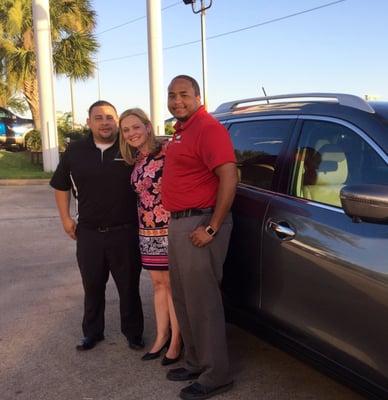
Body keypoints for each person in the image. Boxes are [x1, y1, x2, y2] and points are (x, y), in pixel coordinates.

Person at [162, 75, 238, 400]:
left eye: (184, 95)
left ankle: (216, 374)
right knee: (183, 297)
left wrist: (212, 227)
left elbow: (228, 176)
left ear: (197, 96)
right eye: (172, 95)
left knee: (203, 302)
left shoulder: (209, 128)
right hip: (179, 224)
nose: (177, 101)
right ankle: (195, 361)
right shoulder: (182, 131)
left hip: (200, 223)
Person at [50, 100, 144, 351]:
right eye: (99, 117)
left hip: (125, 231)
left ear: (117, 122)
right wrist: (65, 218)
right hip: (89, 233)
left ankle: (133, 333)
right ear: (89, 121)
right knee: (92, 286)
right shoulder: (75, 150)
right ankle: (92, 333)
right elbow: (60, 185)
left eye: (110, 118)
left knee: (129, 287)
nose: (105, 122)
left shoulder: (130, 149)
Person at [119, 108, 182, 366]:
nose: (131, 133)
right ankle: (161, 336)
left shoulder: (167, 150)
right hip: (146, 230)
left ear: (147, 125)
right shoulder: (136, 158)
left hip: (169, 228)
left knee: (172, 287)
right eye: (126, 130)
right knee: (157, 286)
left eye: (135, 127)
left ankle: (177, 341)